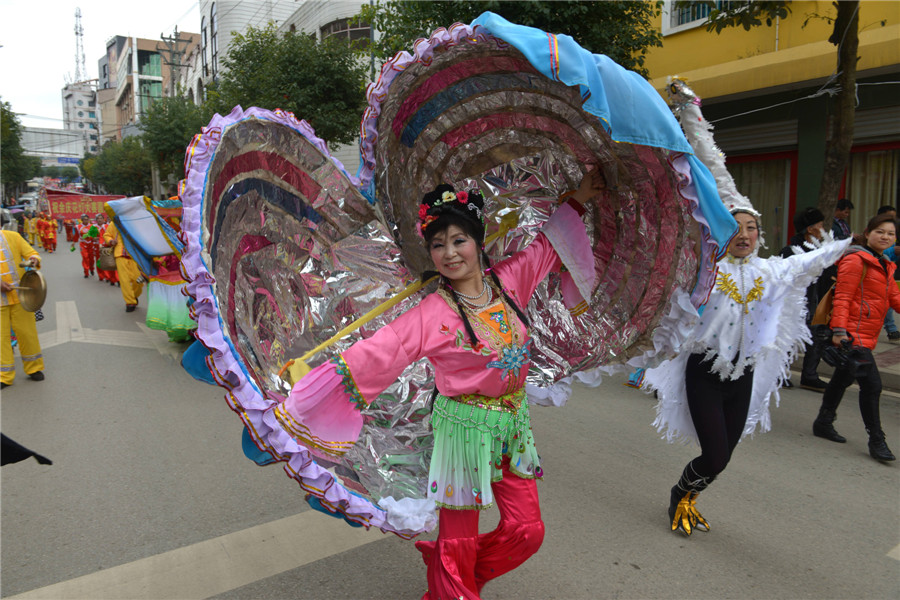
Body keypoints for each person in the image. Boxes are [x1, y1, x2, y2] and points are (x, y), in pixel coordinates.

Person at [275, 174, 600, 599]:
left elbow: (548, 245)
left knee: (526, 531)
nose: (449, 253)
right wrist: (305, 400)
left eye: (458, 240)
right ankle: (450, 585)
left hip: (513, 425)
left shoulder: (510, 279)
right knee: (458, 543)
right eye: (438, 244)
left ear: (478, 242)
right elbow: (378, 352)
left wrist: (579, 200)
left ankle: (456, 579)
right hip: (463, 429)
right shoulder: (434, 312)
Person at [644, 208, 848, 536]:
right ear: (722, 232)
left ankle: (690, 497)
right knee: (715, 456)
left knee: (723, 458)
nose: (743, 234)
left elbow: (806, 263)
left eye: (751, 228)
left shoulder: (770, 271)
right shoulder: (703, 271)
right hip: (705, 373)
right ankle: (679, 495)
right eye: (735, 228)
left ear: (759, 234)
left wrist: (845, 245)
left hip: (743, 375)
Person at [812, 213, 898, 462]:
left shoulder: (884, 264)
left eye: (891, 234)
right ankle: (876, 439)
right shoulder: (856, 260)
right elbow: (843, 298)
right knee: (872, 386)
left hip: (867, 332)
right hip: (852, 333)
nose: (885, 237)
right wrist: (839, 332)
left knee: (842, 378)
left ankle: (823, 421)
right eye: (880, 231)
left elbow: (894, 299)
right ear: (868, 232)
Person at [779, 207, 833, 392]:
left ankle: (809, 376)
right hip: (796, 303)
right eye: (820, 225)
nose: (824, 229)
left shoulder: (824, 251)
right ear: (810, 229)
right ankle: (779, 373)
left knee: (816, 338)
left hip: (818, 301)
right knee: (788, 337)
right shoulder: (790, 251)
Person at [1, 213, 45, 389]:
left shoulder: (13, 237)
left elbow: (32, 253)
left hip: (21, 296)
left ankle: (34, 368)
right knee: (1, 337)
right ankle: (4, 375)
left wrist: (34, 260)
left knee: (27, 333)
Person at [103, 217, 144, 312]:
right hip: (120, 255)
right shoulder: (114, 222)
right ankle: (130, 302)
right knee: (124, 281)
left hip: (134, 255)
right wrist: (110, 241)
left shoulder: (135, 222)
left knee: (138, 279)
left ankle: (133, 296)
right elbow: (107, 235)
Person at [94, 213, 117, 286]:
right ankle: (109, 278)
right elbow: (102, 237)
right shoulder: (104, 227)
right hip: (107, 247)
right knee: (109, 263)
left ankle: (117, 279)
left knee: (117, 264)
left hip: (118, 247)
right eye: (108, 218)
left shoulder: (118, 225)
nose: (100, 220)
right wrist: (102, 245)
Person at [74, 214, 98, 278]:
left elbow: (95, 235)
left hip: (91, 244)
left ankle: (91, 269)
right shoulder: (78, 227)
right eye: (84, 219)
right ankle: (86, 272)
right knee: (85, 257)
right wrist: (73, 243)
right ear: (82, 220)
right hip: (83, 244)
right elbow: (76, 236)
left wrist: (94, 238)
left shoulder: (92, 226)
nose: (86, 221)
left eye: (87, 219)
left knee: (91, 258)